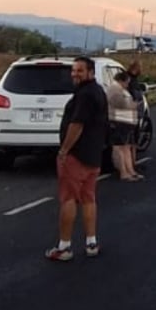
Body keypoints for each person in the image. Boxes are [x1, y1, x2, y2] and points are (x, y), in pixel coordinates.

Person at [45, 57, 109, 262]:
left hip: (77, 155)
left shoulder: (85, 95)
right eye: (73, 70)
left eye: (79, 70)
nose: (74, 74)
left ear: (90, 72)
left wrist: (64, 150)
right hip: (94, 154)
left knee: (69, 198)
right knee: (89, 198)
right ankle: (91, 242)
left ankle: (64, 246)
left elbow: (77, 124)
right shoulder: (98, 92)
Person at [105, 70, 142, 182]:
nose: (127, 85)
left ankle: (130, 171)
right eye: (127, 82)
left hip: (125, 122)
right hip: (119, 121)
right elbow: (118, 103)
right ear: (121, 80)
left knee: (126, 147)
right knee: (120, 148)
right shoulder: (114, 89)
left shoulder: (119, 89)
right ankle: (124, 172)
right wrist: (133, 105)